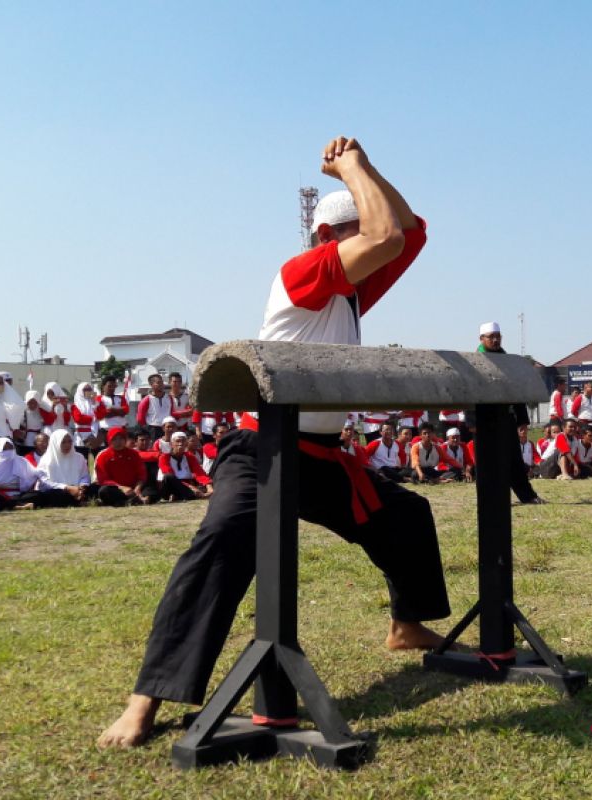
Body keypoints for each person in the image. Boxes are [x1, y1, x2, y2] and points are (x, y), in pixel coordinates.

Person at [99, 137, 450, 749]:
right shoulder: (303, 273)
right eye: (354, 229)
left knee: (407, 515)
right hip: (262, 452)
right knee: (219, 551)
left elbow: (409, 231)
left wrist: (368, 169)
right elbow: (389, 236)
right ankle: (144, 701)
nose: (370, 236)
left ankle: (406, 625)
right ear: (325, 239)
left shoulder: (350, 292)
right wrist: (352, 170)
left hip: (320, 455)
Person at [476, 321, 545, 504]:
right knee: (490, 462)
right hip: (484, 419)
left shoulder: (508, 360)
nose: (495, 340)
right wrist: (471, 422)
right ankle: (492, 499)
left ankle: (527, 496)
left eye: (498, 336)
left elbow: (516, 390)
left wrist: (521, 418)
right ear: (481, 339)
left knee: (514, 459)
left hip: (505, 417)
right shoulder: (475, 361)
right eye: (491, 337)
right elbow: (471, 393)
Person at [0, 437, 71, 509]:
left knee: (39, 495)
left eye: (10, 447)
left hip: (20, 494)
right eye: (5, 449)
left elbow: (34, 473)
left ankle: (16, 505)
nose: (8, 451)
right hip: (0, 495)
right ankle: (17, 505)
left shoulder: (21, 461)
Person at [94, 428, 156, 506]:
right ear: (109, 440)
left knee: (151, 483)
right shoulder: (103, 456)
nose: (118, 442)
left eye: (121, 439)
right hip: (117, 488)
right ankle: (131, 501)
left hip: (135, 487)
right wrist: (121, 487)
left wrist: (137, 488)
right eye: (115, 439)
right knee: (104, 491)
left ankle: (145, 498)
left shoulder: (134, 454)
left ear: (125, 439)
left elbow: (142, 474)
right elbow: (103, 479)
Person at [36, 429, 95, 506]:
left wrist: (82, 487)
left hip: (77, 488)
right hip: (58, 490)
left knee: (95, 488)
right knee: (54, 495)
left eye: (70, 441)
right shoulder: (46, 460)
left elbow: (85, 476)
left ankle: (79, 497)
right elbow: (44, 482)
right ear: (56, 443)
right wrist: (67, 488)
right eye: (63, 442)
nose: (67, 445)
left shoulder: (79, 457)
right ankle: (78, 501)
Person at [156, 432, 212, 501]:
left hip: (187, 484)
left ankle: (180, 495)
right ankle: (191, 494)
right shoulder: (164, 457)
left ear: (186, 444)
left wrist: (209, 486)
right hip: (170, 485)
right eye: (177, 441)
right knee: (169, 476)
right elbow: (169, 475)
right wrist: (191, 487)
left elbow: (199, 473)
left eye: (183, 441)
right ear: (171, 444)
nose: (180, 443)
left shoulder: (190, 457)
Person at [70, 382, 106, 455]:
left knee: (98, 458)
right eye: (85, 389)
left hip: (97, 435)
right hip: (82, 436)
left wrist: (94, 403)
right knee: (82, 460)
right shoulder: (76, 404)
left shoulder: (97, 403)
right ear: (80, 391)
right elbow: (78, 419)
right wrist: (93, 418)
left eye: (89, 389)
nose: (87, 391)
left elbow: (102, 415)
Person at [135, 375, 172, 442]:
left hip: (168, 428)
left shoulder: (169, 398)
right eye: (158, 383)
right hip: (153, 429)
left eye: (162, 382)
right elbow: (140, 419)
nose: (161, 385)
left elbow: (172, 412)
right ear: (151, 384)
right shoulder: (147, 399)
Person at [97, 376, 131, 442]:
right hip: (105, 430)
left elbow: (126, 410)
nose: (112, 388)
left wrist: (111, 409)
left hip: (121, 429)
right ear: (103, 386)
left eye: (114, 386)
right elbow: (101, 413)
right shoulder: (99, 399)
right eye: (109, 386)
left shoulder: (121, 398)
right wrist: (119, 412)